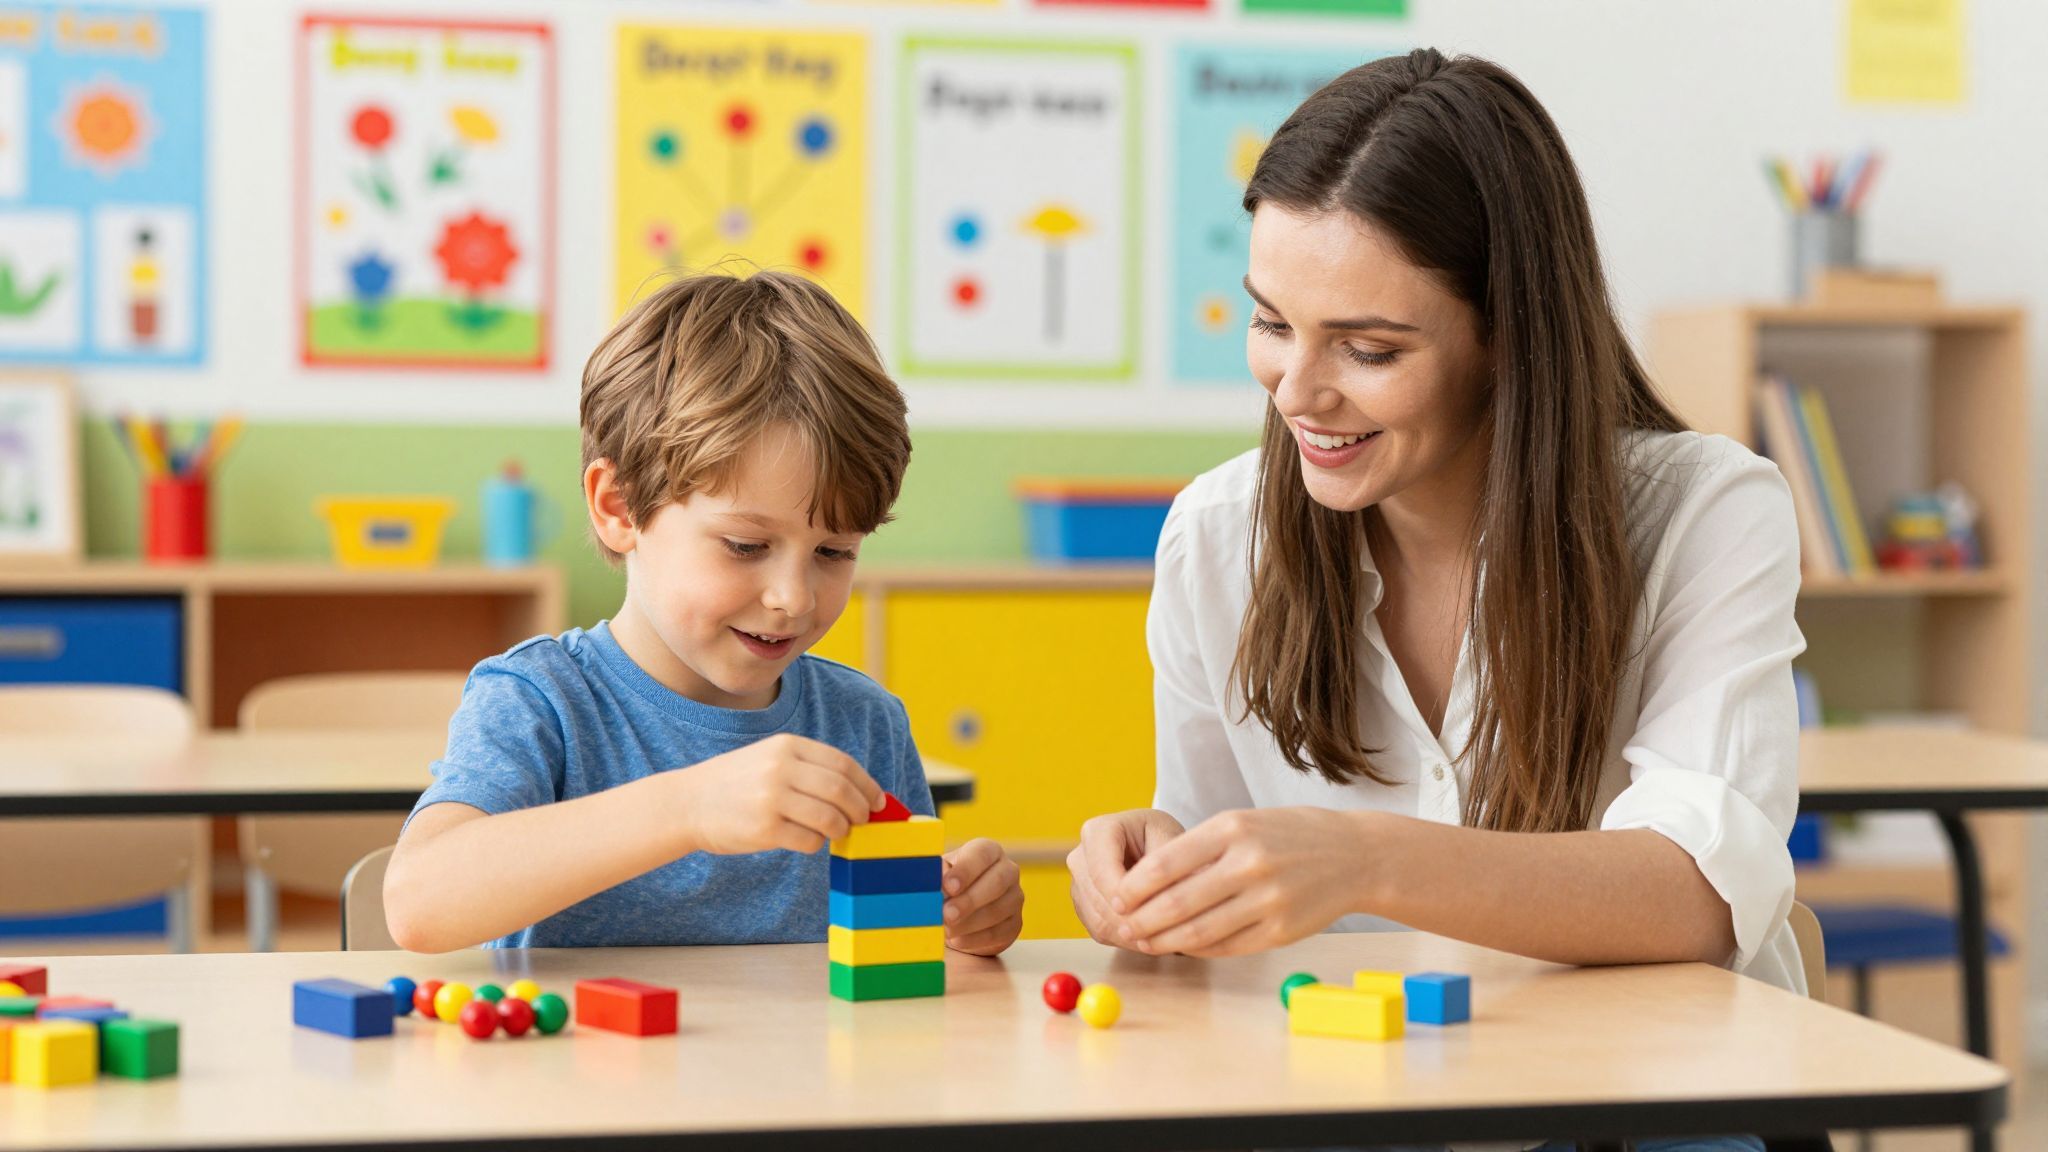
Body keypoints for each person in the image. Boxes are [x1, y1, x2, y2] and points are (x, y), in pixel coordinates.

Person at [1070, 54, 1803, 1150]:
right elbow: (1221, 883)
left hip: (1639, 1103)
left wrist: (1361, 860)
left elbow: (1697, 895)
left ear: (1506, 333)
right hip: (1357, 1103)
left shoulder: (1703, 512)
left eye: (1368, 349)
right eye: (1271, 323)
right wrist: (1158, 880)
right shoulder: (1218, 538)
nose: (1297, 392)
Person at [385, 269, 1025, 956]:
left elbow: (903, 946)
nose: (794, 597)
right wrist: (687, 808)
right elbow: (419, 902)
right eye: (746, 546)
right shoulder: (541, 701)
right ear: (619, 507)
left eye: (834, 552)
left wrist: (966, 920)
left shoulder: (864, 722)